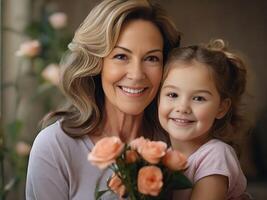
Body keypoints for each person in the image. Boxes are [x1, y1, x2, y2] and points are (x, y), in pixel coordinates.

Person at [26, 0, 181, 199]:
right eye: (121, 56)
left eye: (152, 58)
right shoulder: (56, 147)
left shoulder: (176, 144)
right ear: (97, 63)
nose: (136, 74)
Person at [158, 39, 251, 199]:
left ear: (221, 108)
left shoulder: (216, 155)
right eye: (172, 95)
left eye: (199, 98)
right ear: (158, 99)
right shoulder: (161, 156)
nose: (183, 107)